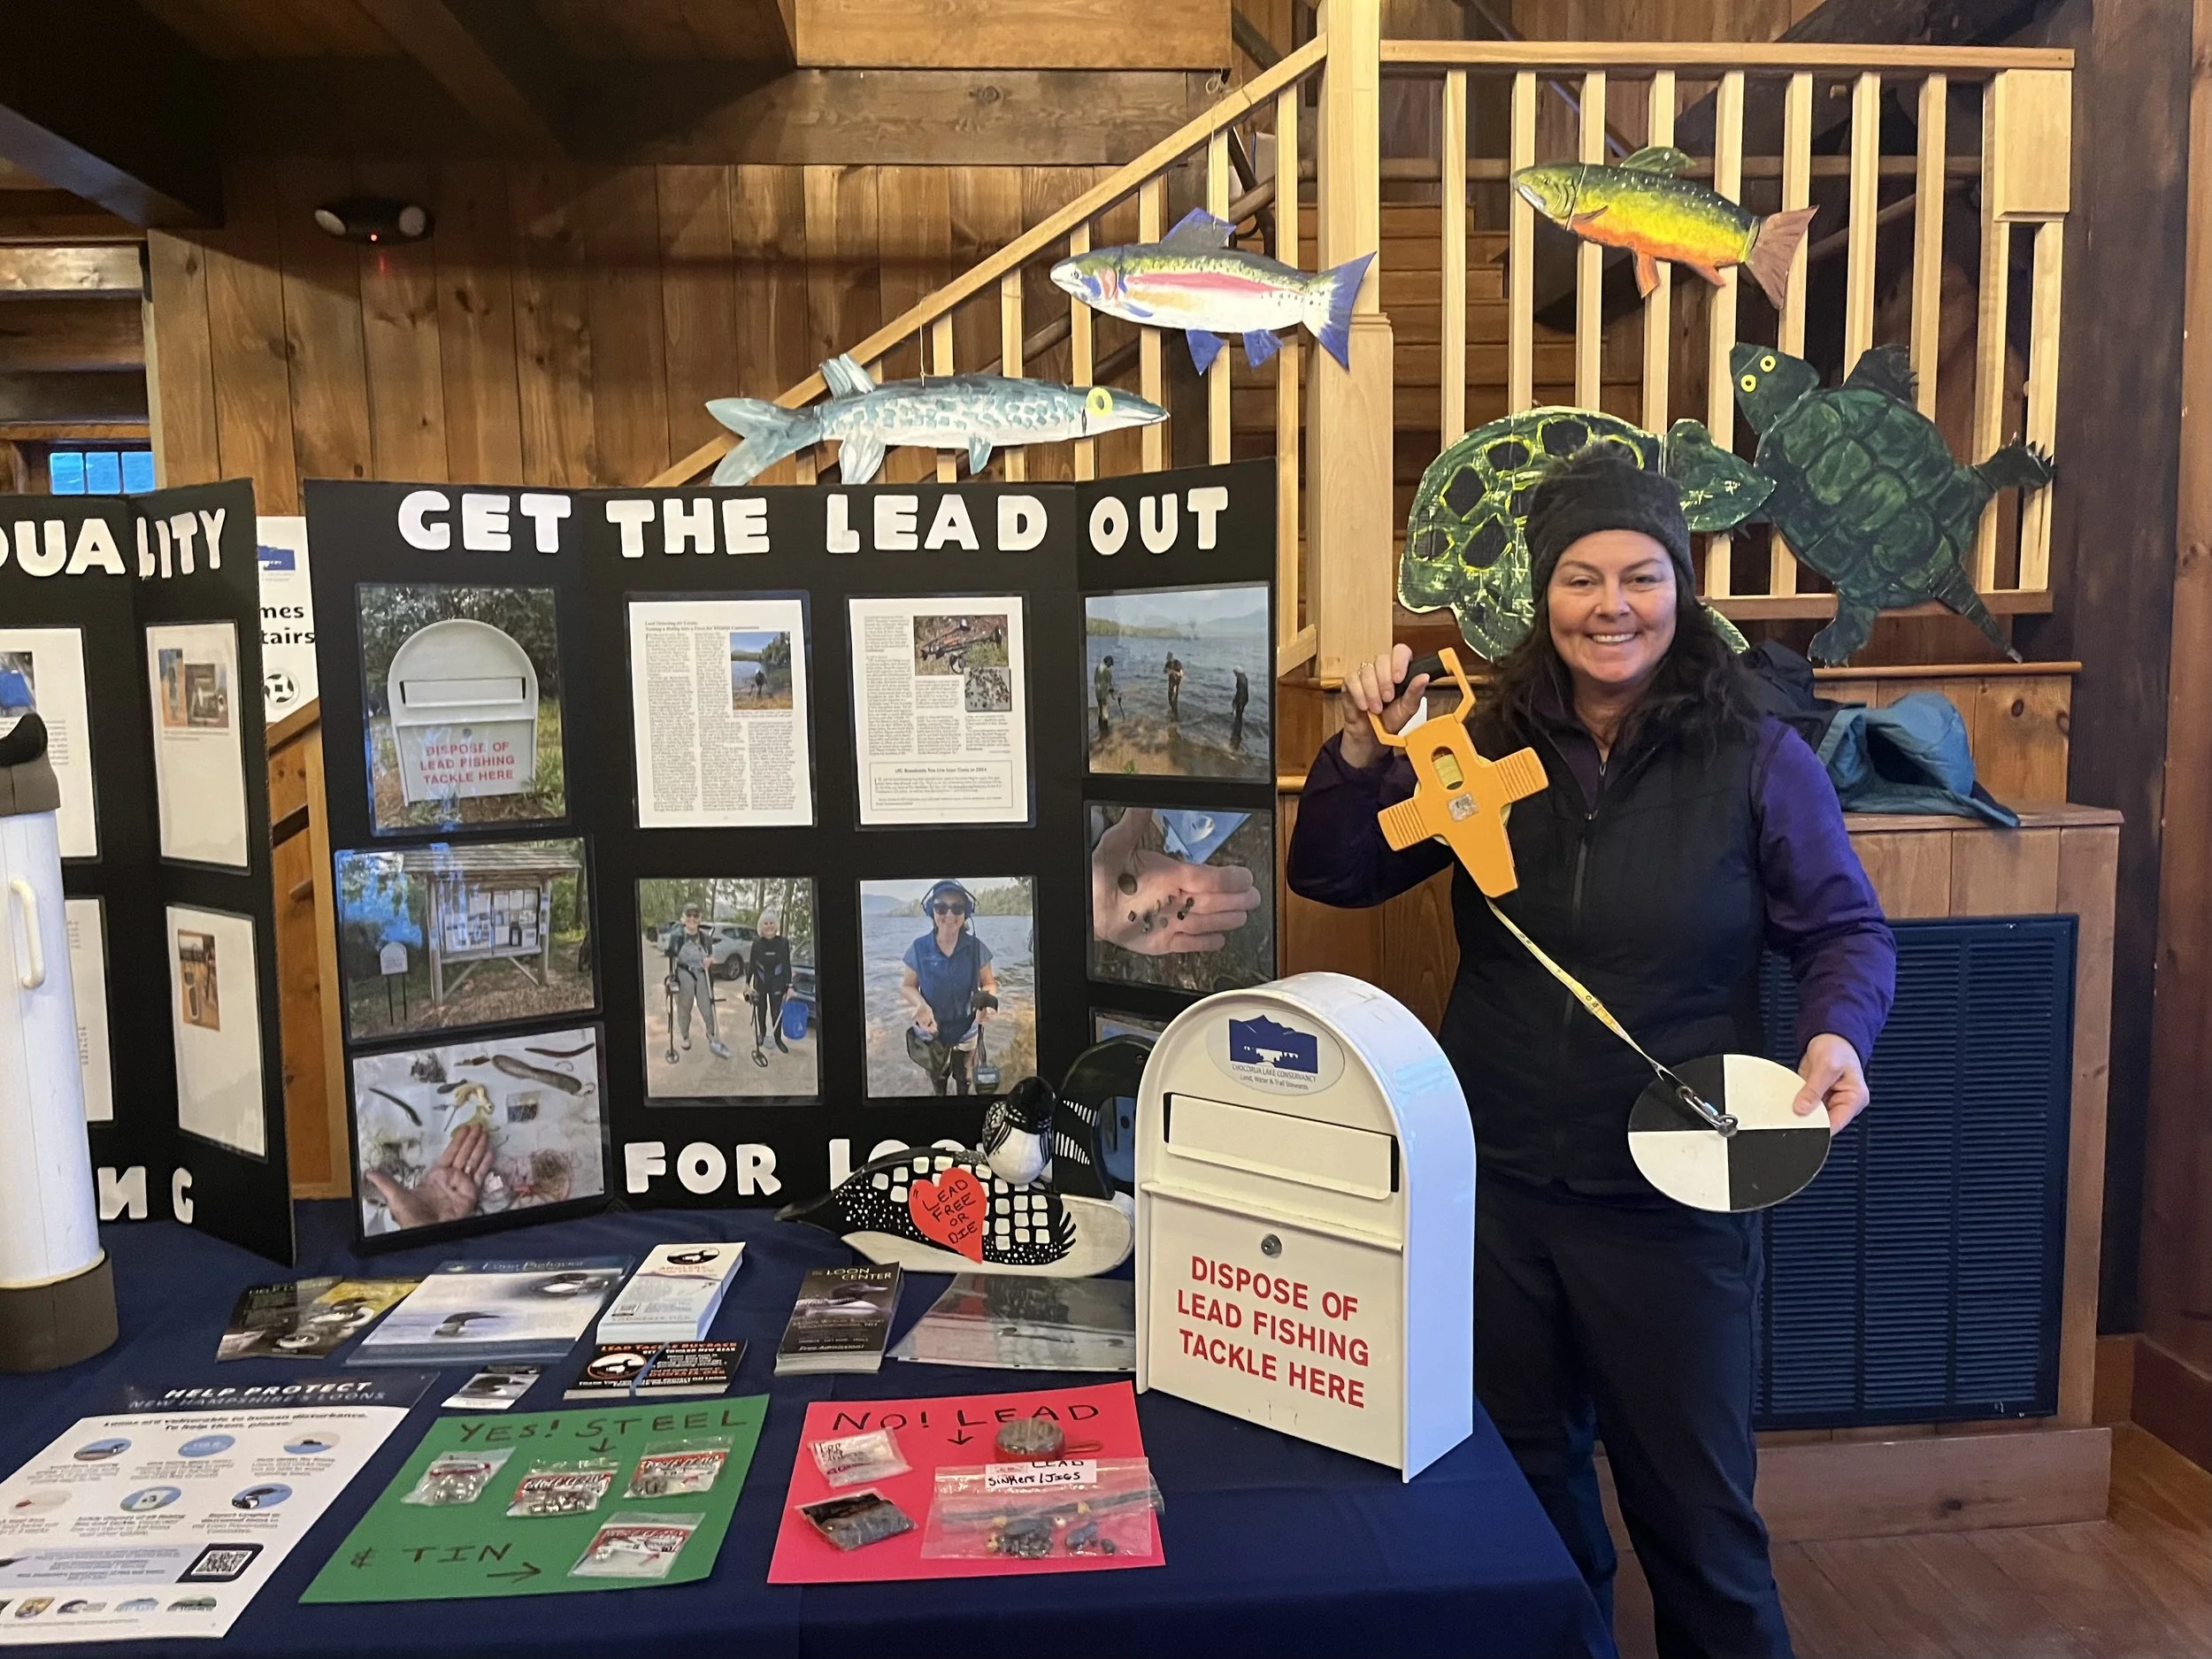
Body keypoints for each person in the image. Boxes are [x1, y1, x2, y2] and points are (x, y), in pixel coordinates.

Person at [1287, 444, 1894, 1659]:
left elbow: (1843, 925)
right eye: (1578, 577)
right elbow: (1335, 873)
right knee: (1525, 1493)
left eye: (1639, 574)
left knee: (1700, 1516)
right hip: (1499, 1181)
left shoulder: (1757, 752)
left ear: (1678, 584)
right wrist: (1365, 751)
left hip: (1677, 1187)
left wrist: (1839, 1029)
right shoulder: (1475, 742)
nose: (1611, 604)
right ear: (1539, 595)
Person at [899, 879, 997, 1095]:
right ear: (931, 911)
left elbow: (989, 983)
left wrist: (986, 1005)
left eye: (957, 908)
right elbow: (907, 986)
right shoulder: (918, 948)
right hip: (932, 1030)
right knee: (938, 1078)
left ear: (966, 913)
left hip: (967, 1028)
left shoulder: (976, 948)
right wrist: (920, 1004)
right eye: (941, 907)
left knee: (965, 1077)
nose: (949, 916)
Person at [663, 902, 730, 1061]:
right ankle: (685, 1036)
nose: (692, 918)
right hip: (684, 972)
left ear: (699, 918)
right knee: (684, 1006)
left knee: (707, 1005)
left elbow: (711, 955)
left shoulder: (705, 937)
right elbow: (671, 955)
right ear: (683, 918)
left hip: (702, 973)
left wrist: (709, 960)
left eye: (695, 915)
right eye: (689, 915)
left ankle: (711, 1034)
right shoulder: (677, 936)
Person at [745, 910, 794, 1064]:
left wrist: (789, 985)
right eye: (766, 923)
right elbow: (752, 964)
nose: (769, 926)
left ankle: (778, 1039)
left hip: (777, 982)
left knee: (775, 1012)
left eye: (771, 923)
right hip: (760, 981)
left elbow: (786, 964)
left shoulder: (783, 943)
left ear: (776, 925)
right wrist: (747, 983)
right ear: (761, 926)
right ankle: (762, 1034)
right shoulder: (757, 943)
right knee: (761, 1010)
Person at [1094, 653, 1117, 740]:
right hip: (1104, 694)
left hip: (1097, 692)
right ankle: (1106, 731)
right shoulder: (1107, 671)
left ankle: (1100, 728)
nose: (1111, 666)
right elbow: (1110, 686)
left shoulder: (1098, 667)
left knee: (1100, 710)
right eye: (1111, 664)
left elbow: (1095, 680)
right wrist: (1113, 694)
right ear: (1109, 661)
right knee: (1105, 712)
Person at [1230, 666, 1250, 750]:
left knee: (1238, 717)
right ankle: (1237, 732)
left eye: (1235, 673)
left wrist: (1238, 704)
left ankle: (1236, 734)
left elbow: (1241, 692)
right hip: (1243, 699)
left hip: (1241, 700)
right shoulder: (1244, 678)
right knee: (1239, 717)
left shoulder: (1241, 680)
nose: (1234, 675)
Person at [1164, 652, 1184, 721]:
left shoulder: (1177, 663)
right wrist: (1168, 671)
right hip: (1171, 682)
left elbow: (1181, 674)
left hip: (1176, 682)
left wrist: (1174, 672)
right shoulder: (1168, 664)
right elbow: (1165, 671)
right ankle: (1173, 711)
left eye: (1169, 659)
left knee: (1174, 698)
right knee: (1170, 698)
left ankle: (1176, 715)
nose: (1169, 660)